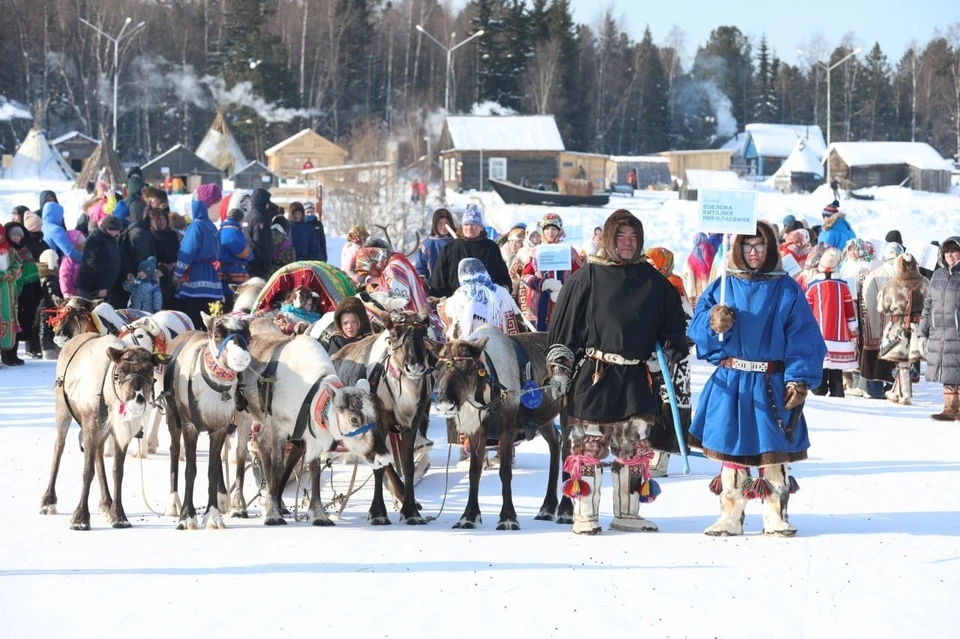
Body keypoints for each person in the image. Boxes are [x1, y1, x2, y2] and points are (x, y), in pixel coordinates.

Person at [546, 210, 688, 535]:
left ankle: (627, 513)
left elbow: (676, 327)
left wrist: (665, 354)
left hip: (638, 378)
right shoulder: (587, 277)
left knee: (634, 446)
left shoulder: (653, 280)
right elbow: (563, 330)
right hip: (595, 375)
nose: (628, 243)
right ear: (609, 238)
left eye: (633, 237)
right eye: (621, 236)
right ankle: (585, 514)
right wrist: (559, 370)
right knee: (590, 447)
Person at [688, 220, 825, 538]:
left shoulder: (786, 288)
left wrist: (799, 378)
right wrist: (713, 323)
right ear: (737, 249)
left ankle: (775, 514)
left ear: (771, 249)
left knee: (772, 453)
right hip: (732, 380)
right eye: (747, 246)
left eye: (760, 246)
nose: (754, 252)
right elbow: (697, 329)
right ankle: (730, 516)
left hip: (771, 383)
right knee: (731, 452)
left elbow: (804, 336)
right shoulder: (725, 285)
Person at [645, 246, 695, 478]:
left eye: (653, 264)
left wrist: (666, 345)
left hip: (672, 359)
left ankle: (660, 459)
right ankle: (649, 454)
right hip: (655, 358)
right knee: (653, 405)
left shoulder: (672, 284)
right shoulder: (652, 284)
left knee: (668, 405)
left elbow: (685, 326)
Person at [805, 247, 858, 397]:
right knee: (836, 369)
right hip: (839, 335)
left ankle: (820, 390)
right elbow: (849, 312)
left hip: (818, 333)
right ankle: (837, 391)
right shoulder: (843, 287)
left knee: (821, 365)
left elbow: (807, 312)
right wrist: (853, 330)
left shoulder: (813, 287)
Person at [919, 237, 960, 420]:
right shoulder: (937, 275)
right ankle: (950, 410)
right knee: (948, 371)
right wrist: (923, 330)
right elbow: (928, 304)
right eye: (947, 251)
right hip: (941, 331)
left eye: (954, 251)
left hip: (957, 331)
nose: (950, 255)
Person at [430, 205, 510, 298]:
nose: (470, 227)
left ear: (481, 227)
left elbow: (502, 276)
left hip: (487, 301)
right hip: (456, 302)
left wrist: (503, 290)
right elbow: (439, 277)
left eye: (474, 224)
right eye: (466, 224)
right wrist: (439, 299)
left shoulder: (491, 248)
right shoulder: (450, 248)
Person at [879, 254, 927, 405]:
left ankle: (905, 395)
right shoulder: (925, 282)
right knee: (909, 361)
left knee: (902, 362)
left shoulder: (892, 284)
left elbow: (883, 307)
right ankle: (896, 392)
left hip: (898, 325)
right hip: (919, 325)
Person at [521, 213, 583, 331]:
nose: (550, 232)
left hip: (563, 302)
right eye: (547, 228)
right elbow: (525, 276)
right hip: (540, 305)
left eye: (554, 228)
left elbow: (581, 277)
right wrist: (543, 284)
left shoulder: (569, 252)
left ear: (560, 231)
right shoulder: (535, 252)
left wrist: (565, 290)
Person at [438, 258, 525, 341]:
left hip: (469, 348)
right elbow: (516, 316)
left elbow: (448, 325)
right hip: (501, 342)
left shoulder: (454, 300)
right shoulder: (501, 292)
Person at [860, 241, 905, 398]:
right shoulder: (905, 275)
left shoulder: (873, 274)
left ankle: (873, 389)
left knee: (874, 357)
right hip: (897, 327)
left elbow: (866, 300)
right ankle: (895, 388)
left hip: (875, 327)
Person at [838, 238, 879, 396]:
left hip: (864, 308)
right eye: (850, 249)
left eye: (856, 249)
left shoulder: (868, 265)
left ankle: (862, 382)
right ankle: (852, 380)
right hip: (849, 307)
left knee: (864, 341)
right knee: (852, 342)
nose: (853, 253)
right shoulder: (846, 264)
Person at [173, 200, 222, 328]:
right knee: (208, 316)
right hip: (211, 276)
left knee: (194, 314)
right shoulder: (212, 226)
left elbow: (187, 251)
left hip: (195, 276)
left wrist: (178, 272)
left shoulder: (196, 226)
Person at [355, 243, 431, 315]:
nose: (369, 274)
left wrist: (373, 298)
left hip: (413, 318)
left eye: (369, 271)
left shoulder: (393, 268)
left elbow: (399, 302)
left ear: (373, 263)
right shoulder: (392, 264)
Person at [75, 216, 123, 301]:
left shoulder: (111, 239)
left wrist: (126, 273)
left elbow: (117, 258)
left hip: (104, 286)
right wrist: (102, 286)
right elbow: (94, 265)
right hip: (91, 287)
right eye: (116, 230)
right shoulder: (95, 239)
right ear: (109, 229)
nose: (118, 234)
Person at [219, 208, 253, 309]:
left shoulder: (223, 229)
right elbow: (242, 251)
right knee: (233, 302)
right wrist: (250, 255)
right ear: (240, 219)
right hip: (233, 272)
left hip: (226, 271)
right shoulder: (232, 232)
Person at [0, 223, 23, 366]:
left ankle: (7, 353)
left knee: (8, 320)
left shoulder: (10, 251)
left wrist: (12, 273)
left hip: (8, 291)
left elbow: (18, 265)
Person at [35, 249, 61, 360]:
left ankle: (44, 349)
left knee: (43, 327)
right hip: (49, 307)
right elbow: (53, 293)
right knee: (47, 328)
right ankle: (48, 350)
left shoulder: (39, 274)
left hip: (41, 305)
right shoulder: (51, 277)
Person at [681, 232, 718, 307]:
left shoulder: (690, 258)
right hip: (710, 294)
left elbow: (685, 274)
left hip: (694, 298)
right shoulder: (713, 253)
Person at [245, 188, 274, 279]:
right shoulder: (260, 218)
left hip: (250, 262)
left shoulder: (249, 215)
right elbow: (260, 242)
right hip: (259, 265)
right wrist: (266, 263)